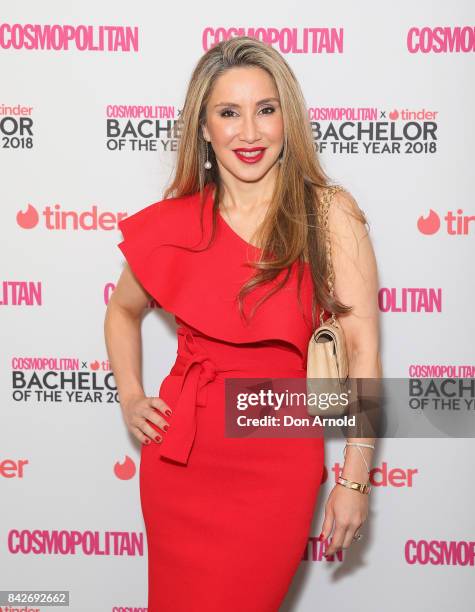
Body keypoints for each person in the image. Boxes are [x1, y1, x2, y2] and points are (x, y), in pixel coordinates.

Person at [104, 36, 381, 612]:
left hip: (275, 460)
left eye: (266, 110)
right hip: (181, 461)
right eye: (228, 113)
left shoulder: (327, 212)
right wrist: (131, 396)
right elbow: (122, 310)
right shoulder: (176, 222)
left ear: (288, 118)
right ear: (203, 128)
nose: (249, 133)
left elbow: (361, 350)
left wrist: (354, 481)